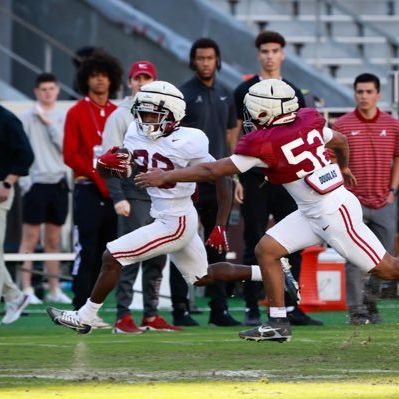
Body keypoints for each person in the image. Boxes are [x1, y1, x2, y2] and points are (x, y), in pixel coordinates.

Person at [135, 79, 399, 343]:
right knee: (267, 250)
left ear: (265, 111)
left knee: (386, 269)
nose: (249, 118)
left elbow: (211, 170)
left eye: (252, 112)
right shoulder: (308, 120)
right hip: (312, 210)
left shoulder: (264, 143)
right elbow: (340, 141)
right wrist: (343, 166)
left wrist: (167, 175)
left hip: (333, 213)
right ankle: (278, 323)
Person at [46, 80, 241, 334]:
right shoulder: (134, 132)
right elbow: (122, 169)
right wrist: (108, 166)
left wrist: (220, 225)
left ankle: (85, 316)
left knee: (112, 255)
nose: (146, 120)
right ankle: (271, 273)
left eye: (153, 115)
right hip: (161, 213)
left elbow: (221, 177)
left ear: (173, 115)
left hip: (176, 218)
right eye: (142, 113)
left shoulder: (191, 139)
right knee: (203, 276)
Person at [233, 30, 322, 326]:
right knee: (253, 241)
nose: (270, 56)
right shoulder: (243, 90)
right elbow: (234, 135)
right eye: (265, 51)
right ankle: (252, 308)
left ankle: (293, 308)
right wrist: (234, 177)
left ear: (282, 54)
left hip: (286, 178)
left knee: (294, 243)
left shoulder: (294, 91)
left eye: (274, 51)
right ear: (258, 55)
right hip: (253, 177)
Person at [102, 60, 180, 333]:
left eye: (147, 77)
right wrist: (117, 197)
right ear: (130, 82)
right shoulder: (120, 116)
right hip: (133, 195)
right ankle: (123, 316)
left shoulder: (164, 112)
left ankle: (150, 315)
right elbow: (108, 161)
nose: (142, 83)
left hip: (160, 197)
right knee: (129, 255)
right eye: (138, 78)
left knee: (157, 258)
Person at [179, 37, 240, 326]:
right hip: (189, 180)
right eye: (200, 58)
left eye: (210, 58)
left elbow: (231, 139)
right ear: (193, 61)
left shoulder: (227, 94)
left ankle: (219, 310)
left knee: (217, 242)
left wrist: (234, 176)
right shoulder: (183, 95)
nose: (205, 63)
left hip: (219, 181)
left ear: (217, 61)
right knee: (180, 241)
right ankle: (181, 309)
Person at [332, 73, 399, 325]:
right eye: (360, 91)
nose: (364, 96)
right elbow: (330, 161)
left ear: (378, 95)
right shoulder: (341, 125)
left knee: (386, 258)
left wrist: (393, 191)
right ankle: (356, 311)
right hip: (352, 203)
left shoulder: (393, 125)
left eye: (369, 92)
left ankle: (371, 304)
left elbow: (397, 158)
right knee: (353, 258)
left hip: (385, 202)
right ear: (355, 94)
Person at [63, 49, 123, 328]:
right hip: (88, 188)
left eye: (104, 76)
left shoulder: (118, 113)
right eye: (94, 76)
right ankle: (78, 306)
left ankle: (95, 309)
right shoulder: (76, 112)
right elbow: (70, 155)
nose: (100, 81)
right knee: (86, 249)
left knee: (108, 251)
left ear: (112, 80)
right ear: (85, 80)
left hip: (113, 192)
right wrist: (98, 177)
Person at [18, 72, 71, 305]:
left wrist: (50, 124)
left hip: (58, 182)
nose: (47, 93)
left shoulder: (62, 117)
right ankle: (26, 288)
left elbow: (65, 148)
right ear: (36, 92)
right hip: (36, 183)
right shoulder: (26, 117)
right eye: (43, 89)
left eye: (51, 88)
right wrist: (25, 182)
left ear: (57, 90)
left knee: (54, 239)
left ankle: (54, 288)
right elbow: (20, 151)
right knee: (29, 238)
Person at [0, 105, 34, 324]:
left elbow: (26, 154)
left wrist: (7, 183)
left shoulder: (6, 118)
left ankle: (15, 296)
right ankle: (14, 296)